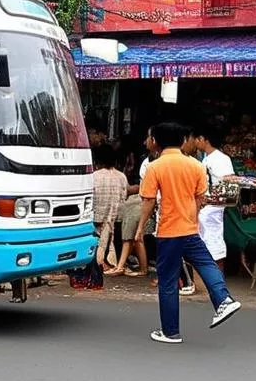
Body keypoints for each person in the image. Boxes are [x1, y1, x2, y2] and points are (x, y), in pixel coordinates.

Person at [135, 121, 241, 344]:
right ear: (183, 140)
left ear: (155, 141)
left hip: (168, 231)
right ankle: (223, 299)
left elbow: (148, 201)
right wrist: (192, 216)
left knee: (168, 281)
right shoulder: (196, 165)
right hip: (190, 228)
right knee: (206, 264)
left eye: (149, 138)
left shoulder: (155, 167)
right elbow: (201, 197)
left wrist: (139, 227)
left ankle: (170, 332)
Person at [71, 144, 128, 290]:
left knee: (92, 250)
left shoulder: (93, 177)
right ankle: (95, 278)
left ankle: (89, 278)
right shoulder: (121, 177)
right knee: (102, 248)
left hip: (94, 218)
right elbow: (123, 197)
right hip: (112, 220)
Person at [195, 125, 237, 265]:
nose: (195, 142)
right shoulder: (206, 158)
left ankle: (218, 279)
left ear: (203, 139)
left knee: (214, 243)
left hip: (213, 208)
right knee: (206, 242)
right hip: (205, 207)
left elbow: (229, 185)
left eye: (197, 139)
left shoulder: (221, 159)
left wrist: (209, 200)